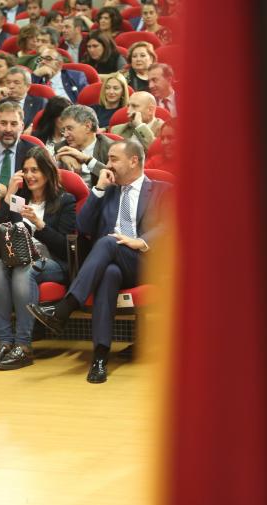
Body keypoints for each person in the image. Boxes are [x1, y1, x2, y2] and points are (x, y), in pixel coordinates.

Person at [28, 141, 171, 383]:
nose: (109, 164)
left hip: (144, 263)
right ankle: (100, 358)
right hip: (112, 262)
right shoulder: (108, 191)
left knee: (106, 242)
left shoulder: (162, 189)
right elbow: (82, 227)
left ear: (134, 161)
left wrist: (142, 241)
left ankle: (64, 308)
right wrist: (98, 190)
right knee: (108, 274)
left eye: (114, 159)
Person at [0, 147, 76, 370]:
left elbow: (66, 247)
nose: (29, 175)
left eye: (35, 170)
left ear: (47, 172)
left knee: (25, 270)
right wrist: (7, 198)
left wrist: (40, 224)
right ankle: (5, 342)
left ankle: (23, 346)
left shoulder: (65, 201)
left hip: (51, 262)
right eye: (25, 170)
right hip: (18, 257)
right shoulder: (18, 199)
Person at [54, 104, 113, 187]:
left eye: (70, 129)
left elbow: (116, 178)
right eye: (64, 130)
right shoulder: (62, 147)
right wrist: (59, 157)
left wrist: (87, 160)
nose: (65, 135)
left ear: (88, 126)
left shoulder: (109, 148)